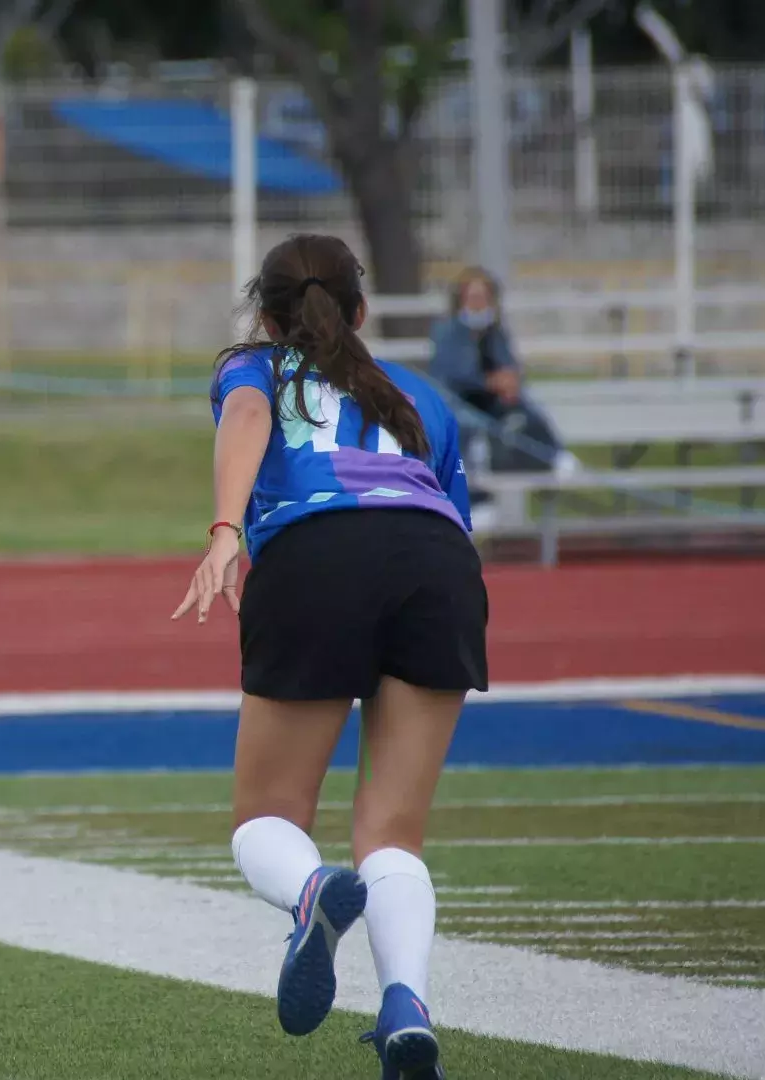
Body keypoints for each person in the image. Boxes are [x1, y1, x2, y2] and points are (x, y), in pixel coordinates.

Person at [173, 234, 485, 1080]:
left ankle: (312, 894)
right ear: (361, 310)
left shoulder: (257, 367)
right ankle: (406, 1006)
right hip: (438, 567)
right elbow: (454, 519)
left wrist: (227, 529)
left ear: (267, 318)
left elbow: (247, 415)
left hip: (315, 554)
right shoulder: (419, 394)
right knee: (394, 834)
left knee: (266, 819)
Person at [427, 267, 577, 481]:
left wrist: (510, 382)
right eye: (473, 297)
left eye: (483, 298)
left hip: (493, 400)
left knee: (528, 407)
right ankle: (478, 491)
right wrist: (492, 382)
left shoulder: (495, 331)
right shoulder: (447, 331)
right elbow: (456, 375)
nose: (478, 304)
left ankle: (556, 455)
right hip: (459, 400)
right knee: (471, 424)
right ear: (460, 300)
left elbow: (509, 364)